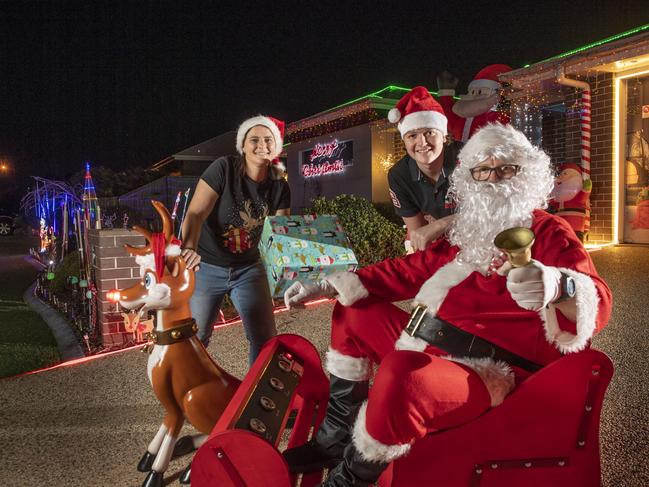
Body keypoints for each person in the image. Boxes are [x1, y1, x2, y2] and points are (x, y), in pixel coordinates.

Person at [282, 123, 612, 486]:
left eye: (506, 169)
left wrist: (556, 286)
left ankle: (351, 478)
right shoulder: (471, 229)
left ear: (527, 174)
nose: (493, 179)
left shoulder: (549, 232)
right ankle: (336, 438)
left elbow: (597, 302)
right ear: (469, 178)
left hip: (489, 369)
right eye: (482, 170)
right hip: (430, 340)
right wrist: (327, 284)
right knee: (352, 309)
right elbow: (410, 268)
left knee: (401, 374)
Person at [180, 115, 290, 365]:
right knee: (197, 336)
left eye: (268, 139)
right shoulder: (223, 168)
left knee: (265, 339)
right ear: (242, 145)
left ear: (277, 146)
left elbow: (282, 238)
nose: (262, 144)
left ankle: (255, 396)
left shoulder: (280, 187)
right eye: (254, 139)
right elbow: (196, 213)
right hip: (207, 265)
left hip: (249, 269)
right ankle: (192, 394)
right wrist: (188, 249)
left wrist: (293, 282)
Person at [386, 86, 461, 252]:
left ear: (444, 135)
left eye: (429, 132)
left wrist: (442, 223)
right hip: (446, 248)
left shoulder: (470, 157)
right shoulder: (399, 175)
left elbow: (495, 212)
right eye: (412, 135)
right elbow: (419, 235)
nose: (422, 143)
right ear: (404, 141)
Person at [437, 64, 512, 143]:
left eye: (479, 92)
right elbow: (449, 119)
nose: (473, 96)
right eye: (471, 92)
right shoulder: (464, 117)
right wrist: (445, 92)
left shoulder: (500, 117)